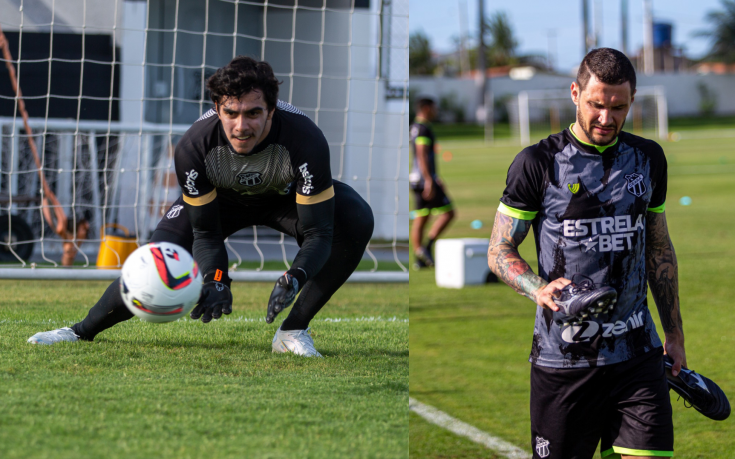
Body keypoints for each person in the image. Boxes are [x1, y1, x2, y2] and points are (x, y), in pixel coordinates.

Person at [28, 56, 374, 357]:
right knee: (156, 257)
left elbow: (318, 233)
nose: (242, 126)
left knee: (355, 217)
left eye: (254, 113)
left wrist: (295, 277)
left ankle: (292, 331)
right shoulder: (194, 146)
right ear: (217, 108)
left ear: (272, 109)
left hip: (285, 199)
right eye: (231, 113)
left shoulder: (305, 138)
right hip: (222, 201)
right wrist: (217, 279)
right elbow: (206, 233)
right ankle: (80, 331)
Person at [487, 48, 685, 459]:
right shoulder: (537, 163)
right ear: (575, 93)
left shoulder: (648, 159)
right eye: (596, 105)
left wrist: (675, 333)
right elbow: (499, 249)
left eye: (619, 107)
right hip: (564, 360)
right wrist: (537, 288)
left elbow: (659, 249)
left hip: (637, 355)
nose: (606, 118)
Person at [409, 97, 455, 269]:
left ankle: (420, 256)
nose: (436, 111)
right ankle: (425, 248)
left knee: (422, 216)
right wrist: (429, 179)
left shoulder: (414, 127)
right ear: (427, 108)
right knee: (448, 213)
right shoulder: (422, 129)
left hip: (417, 179)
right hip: (423, 180)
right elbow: (421, 155)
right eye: (434, 108)